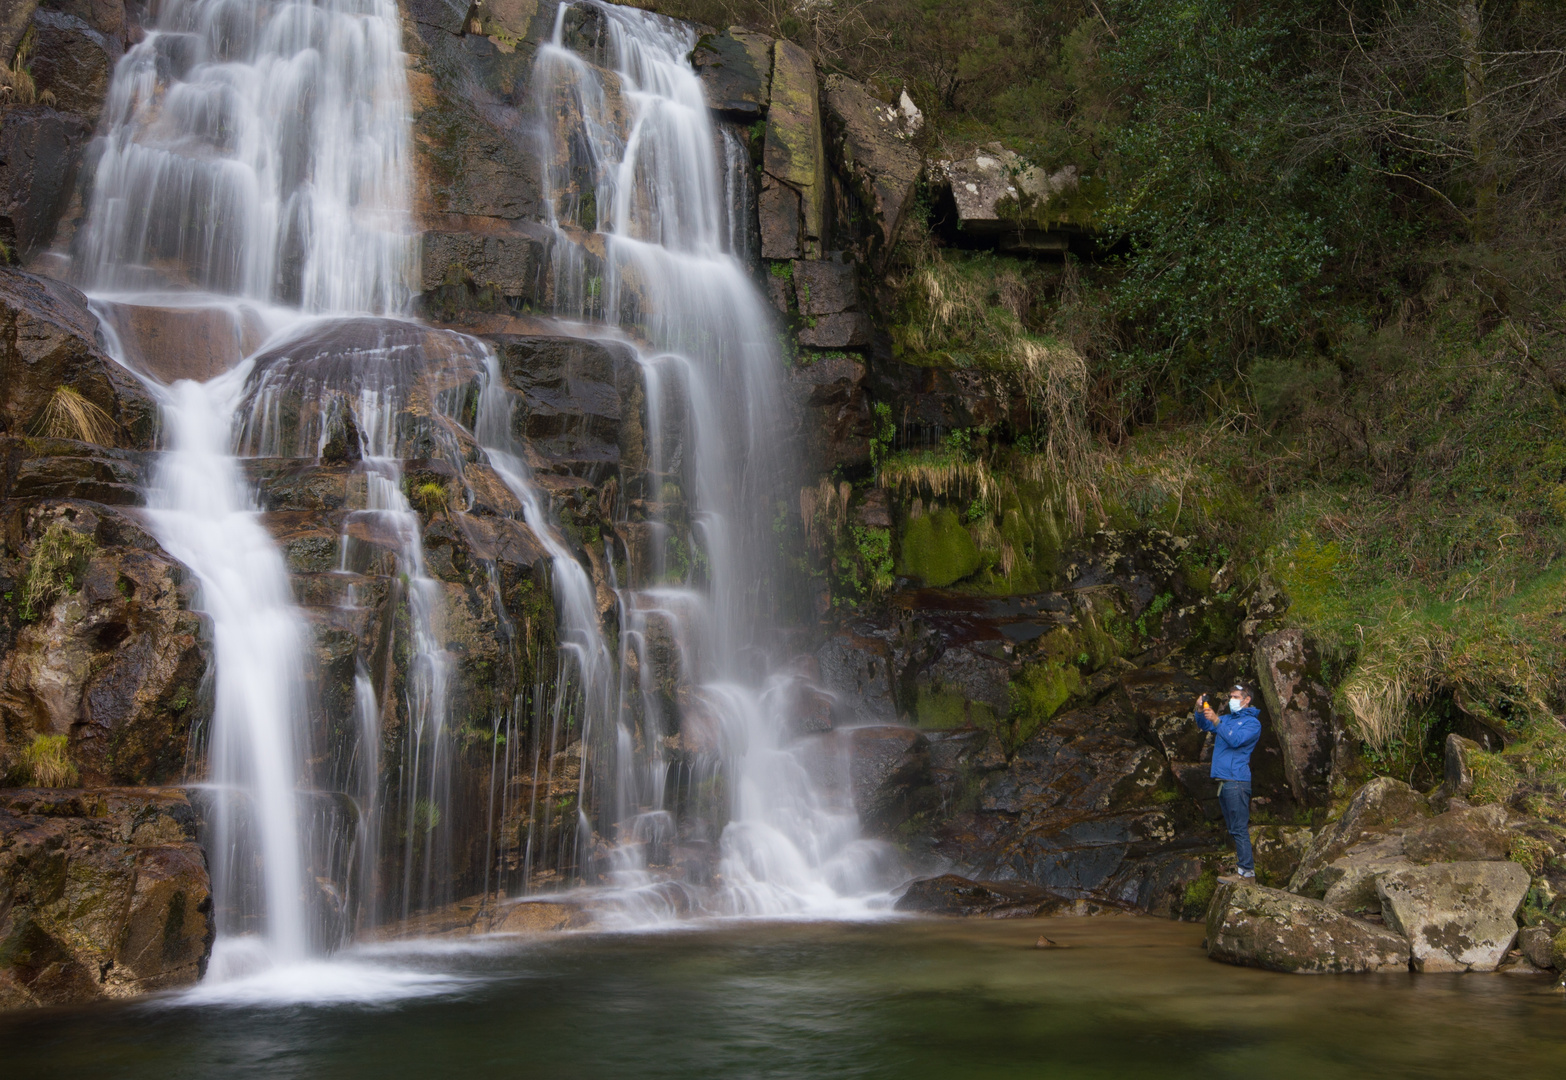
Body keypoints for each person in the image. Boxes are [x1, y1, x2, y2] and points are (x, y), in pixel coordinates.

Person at [1194, 683, 1262, 883]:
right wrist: (1200, 710)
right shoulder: (1228, 719)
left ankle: (1247, 874)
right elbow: (1204, 725)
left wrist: (1216, 720)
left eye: (1235, 696)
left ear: (1246, 699)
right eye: (1230, 696)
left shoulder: (1252, 724)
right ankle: (1242, 871)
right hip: (1225, 782)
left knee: (1239, 828)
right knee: (1233, 828)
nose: (1231, 699)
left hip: (1237, 781)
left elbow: (1235, 740)